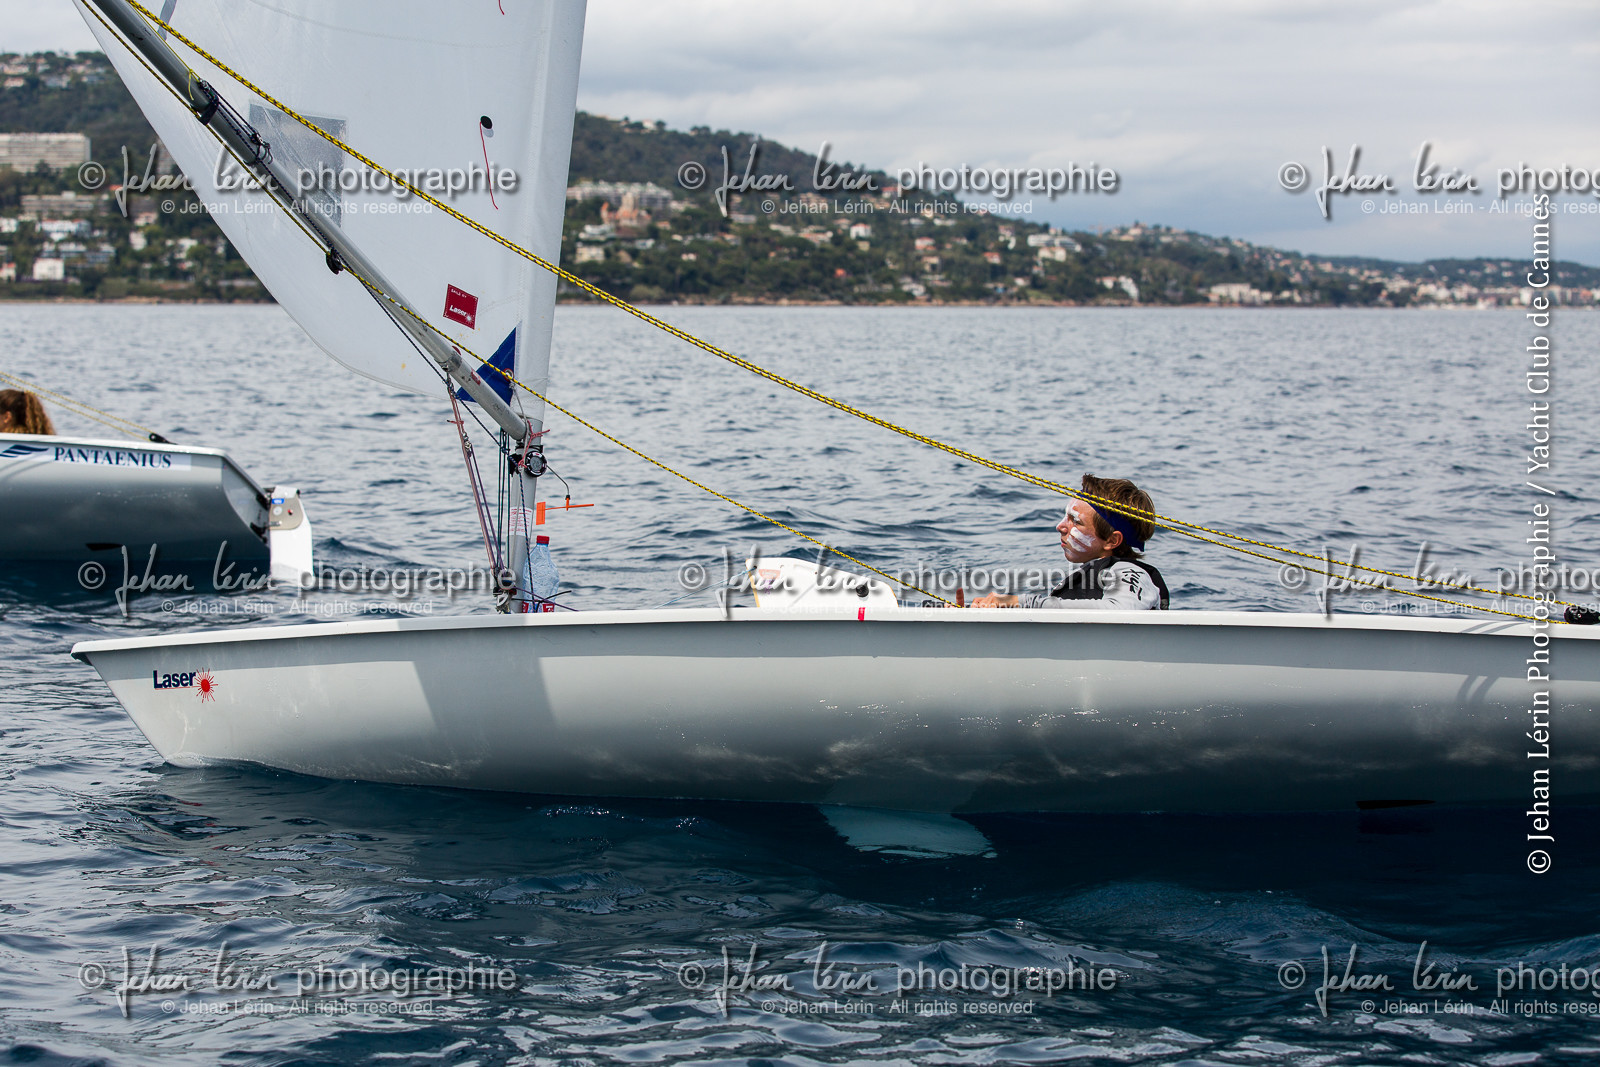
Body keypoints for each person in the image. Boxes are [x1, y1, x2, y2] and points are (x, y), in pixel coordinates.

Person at [973, 473, 1169, 610]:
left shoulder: (1130, 572)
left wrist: (1024, 602)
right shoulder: (1095, 574)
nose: (1060, 526)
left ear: (1112, 540)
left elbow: (1123, 611)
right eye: (1065, 517)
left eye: (1076, 521)